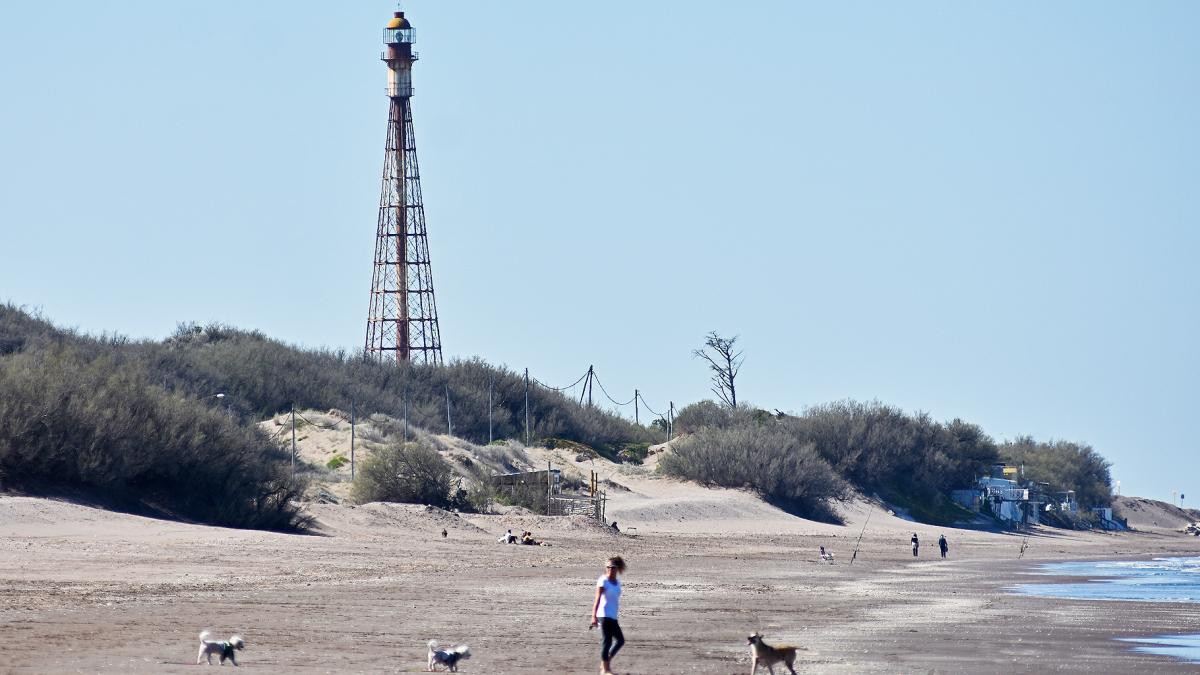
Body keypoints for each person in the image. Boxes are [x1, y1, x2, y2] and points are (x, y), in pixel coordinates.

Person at [590, 556, 626, 675]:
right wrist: (594, 616)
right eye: (608, 567)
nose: (610, 569)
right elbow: (597, 599)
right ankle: (605, 670)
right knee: (607, 641)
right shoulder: (603, 581)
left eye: (613, 567)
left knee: (620, 640)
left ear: (617, 569)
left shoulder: (617, 583)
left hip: (613, 616)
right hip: (603, 615)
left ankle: (605, 662)